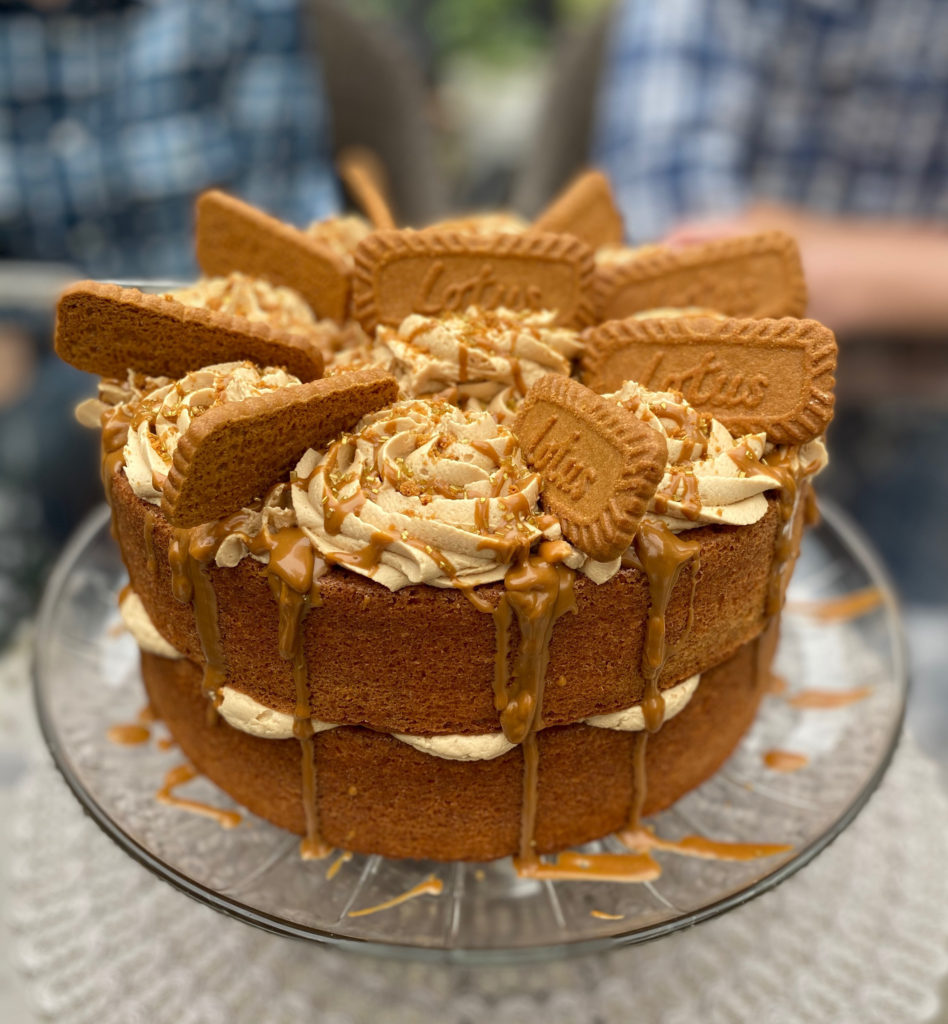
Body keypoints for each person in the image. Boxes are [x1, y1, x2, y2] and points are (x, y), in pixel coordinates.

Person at [592, 0, 948, 337]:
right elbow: (679, 245)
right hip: (713, 373)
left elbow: (745, 264)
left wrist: (802, 255)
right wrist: (912, 271)